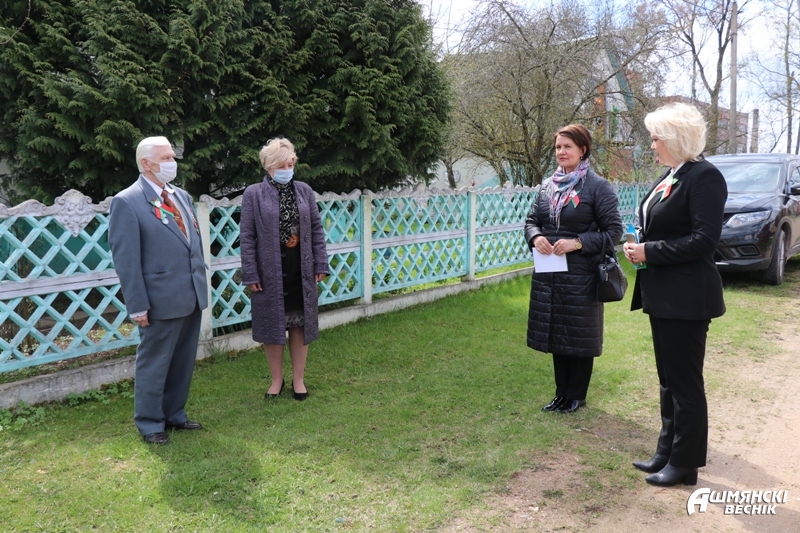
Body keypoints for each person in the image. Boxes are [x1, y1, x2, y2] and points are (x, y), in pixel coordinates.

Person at [624, 102, 727, 487]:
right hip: (663, 295)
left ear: (674, 138)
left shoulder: (705, 177)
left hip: (687, 297)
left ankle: (685, 464)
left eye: (655, 138)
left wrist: (649, 251)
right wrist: (638, 244)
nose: (651, 145)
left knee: (685, 384)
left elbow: (704, 241)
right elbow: (660, 224)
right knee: (668, 381)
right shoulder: (672, 174)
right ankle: (666, 452)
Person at [108, 136, 208, 445]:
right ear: (146, 164)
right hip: (158, 299)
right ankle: (150, 422)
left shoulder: (181, 196)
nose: (172, 163)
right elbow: (126, 260)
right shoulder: (127, 201)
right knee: (154, 362)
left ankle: (174, 413)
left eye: (172, 157)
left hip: (190, 293)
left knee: (182, 360)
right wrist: (137, 304)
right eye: (166, 158)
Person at [524, 124, 623, 414]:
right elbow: (532, 221)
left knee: (578, 335)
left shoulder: (598, 187)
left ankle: (576, 395)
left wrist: (577, 243)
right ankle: (561, 394)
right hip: (550, 275)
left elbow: (613, 232)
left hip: (581, 276)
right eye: (558, 147)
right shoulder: (547, 186)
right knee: (557, 333)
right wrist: (536, 237)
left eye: (567, 146)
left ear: (583, 149)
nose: (561, 152)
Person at [240, 138, 328, 401]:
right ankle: (276, 380)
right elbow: (247, 236)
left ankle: (298, 380)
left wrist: (321, 263)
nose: (288, 169)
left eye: (290, 164)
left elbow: (316, 229)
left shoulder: (304, 190)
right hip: (269, 271)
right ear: (269, 166)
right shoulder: (253, 194)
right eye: (282, 165)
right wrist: (251, 272)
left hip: (301, 268)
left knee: (300, 325)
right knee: (272, 327)